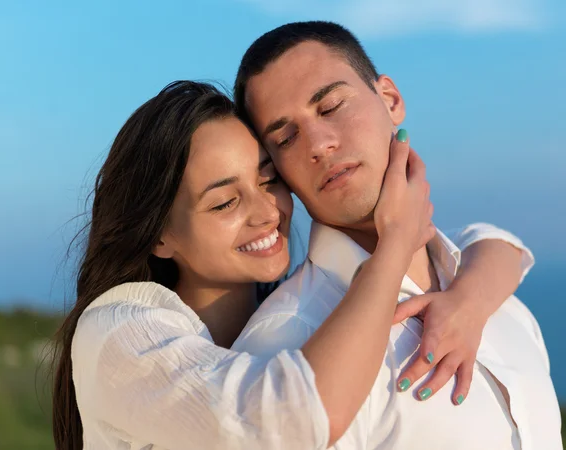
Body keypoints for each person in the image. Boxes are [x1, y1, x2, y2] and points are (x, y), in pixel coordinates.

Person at [52, 81, 532, 450]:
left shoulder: (294, 312)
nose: (266, 212)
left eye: (268, 180)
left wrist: (466, 301)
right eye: (224, 203)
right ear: (159, 234)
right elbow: (289, 419)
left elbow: (490, 242)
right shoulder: (119, 328)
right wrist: (394, 244)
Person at [232, 21, 562, 449]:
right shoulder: (286, 343)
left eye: (330, 106)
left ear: (390, 99)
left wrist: (471, 298)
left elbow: (497, 243)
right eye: (286, 136)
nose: (317, 143)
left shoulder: (499, 300)